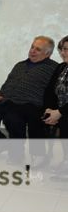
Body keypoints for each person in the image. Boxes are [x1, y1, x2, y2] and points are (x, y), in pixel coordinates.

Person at [0, 36, 58, 164]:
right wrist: (1, 93)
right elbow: (9, 83)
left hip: (31, 105)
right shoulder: (20, 65)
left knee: (12, 118)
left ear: (47, 53)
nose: (32, 51)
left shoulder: (53, 68)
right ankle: (1, 144)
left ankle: (17, 154)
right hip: (8, 102)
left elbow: (55, 91)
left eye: (38, 49)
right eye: (32, 47)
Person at [43, 35, 68, 173]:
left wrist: (59, 113)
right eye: (62, 49)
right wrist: (49, 109)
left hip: (64, 111)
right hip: (60, 109)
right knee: (39, 116)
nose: (63, 53)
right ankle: (43, 156)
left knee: (65, 121)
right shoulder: (61, 67)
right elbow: (50, 91)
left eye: (66, 49)